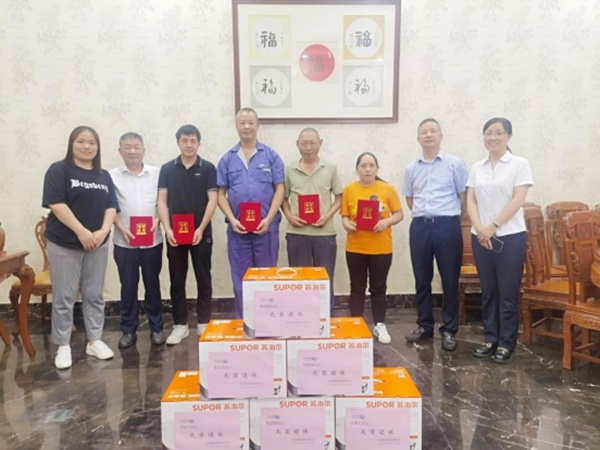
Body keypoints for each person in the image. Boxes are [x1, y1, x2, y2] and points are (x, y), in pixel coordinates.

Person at [42, 126, 119, 369]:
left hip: (97, 244)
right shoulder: (59, 170)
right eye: (81, 141)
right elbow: (56, 204)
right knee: (64, 297)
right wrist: (82, 232)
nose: (87, 146)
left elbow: (111, 205)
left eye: (92, 142)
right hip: (65, 243)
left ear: (98, 147)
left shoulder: (103, 176)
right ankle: (63, 345)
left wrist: (103, 231)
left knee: (94, 295)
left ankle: (94, 340)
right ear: (71, 144)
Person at [467, 117, 533, 364]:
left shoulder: (519, 164)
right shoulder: (477, 167)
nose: (493, 137)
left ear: (508, 136)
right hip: (480, 237)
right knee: (488, 291)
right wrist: (480, 229)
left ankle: (506, 343)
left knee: (507, 292)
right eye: (488, 133)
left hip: (510, 237)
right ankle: (490, 338)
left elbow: (518, 200)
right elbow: (471, 200)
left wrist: (492, 226)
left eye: (499, 132)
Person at [403, 118, 468, 352]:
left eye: (433, 131)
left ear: (441, 136)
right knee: (422, 278)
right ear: (418, 138)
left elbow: (463, 197)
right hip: (420, 226)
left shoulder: (455, 163)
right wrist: (425, 216)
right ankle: (424, 326)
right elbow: (410, 199)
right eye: (424, 132)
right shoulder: (411, 168)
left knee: (449, 278)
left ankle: (449, 329)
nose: (428, 135)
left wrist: (447, 218)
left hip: (447, 225)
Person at [217, 107, 285, 319]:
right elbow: (220, 194)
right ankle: (244, 322)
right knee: (241, 278)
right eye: (242, 123)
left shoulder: (271, 156)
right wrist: (232, 219)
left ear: (258, 126)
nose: (246, 127)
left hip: (266, 229)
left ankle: (267, 321)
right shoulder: (227, 159)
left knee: (266, 276)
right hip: (238, 230)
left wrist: (269, 219)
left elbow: (280, 189)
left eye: (250, 123)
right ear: (236, 126)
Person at [157, 125, 218, 345]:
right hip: (175, 233)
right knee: (177, 279)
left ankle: (204, 322)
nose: (189, 145)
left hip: (201, 232)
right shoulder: (167, 169)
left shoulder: (208, 168)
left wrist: (200, 228)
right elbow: (161, 201)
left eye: (193, 141)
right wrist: (167, 229)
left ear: (199, 143)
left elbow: (213, 200)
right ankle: (180, 325)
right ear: (178, 143)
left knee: (203, 277)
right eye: (185, 140)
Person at [341, 152, 403, 343]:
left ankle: (379, 325)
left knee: (378, 288)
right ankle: (356, 324)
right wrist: (348, 225)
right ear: (357, 169)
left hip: (381, 249)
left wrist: (386, 222)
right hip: (356, 247)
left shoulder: (387, 189)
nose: (367, 169)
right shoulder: (349, 189)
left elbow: (399, 214)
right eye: (363, 166)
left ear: (376, 168)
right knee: (357, 287)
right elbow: (344, 216)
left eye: (371, 165)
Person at [110, 132, 165, 348]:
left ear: (143, 150)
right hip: (124, 242)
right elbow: (109, 207)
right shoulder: (111, 176)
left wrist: (158, 220)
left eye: (136, 147)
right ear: (120, 151)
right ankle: (128, 330)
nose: (132, 151)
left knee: (153, 285)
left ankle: (157, 328)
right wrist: (120, 227)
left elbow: (163, 202)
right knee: (128, 286)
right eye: (128, 147)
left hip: (152, 241)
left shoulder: (157, 174)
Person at [282, 127, 343, 313]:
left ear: (320, 143)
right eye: (304, 143)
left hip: (324, 233)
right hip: (296, 233)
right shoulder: (288, 169)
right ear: (297, 145)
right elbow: (282, 198)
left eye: (312, 143)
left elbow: (339, 198)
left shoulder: (330, 169)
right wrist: (289, 215)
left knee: (325, 278)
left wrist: (327, 216)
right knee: (299, 279)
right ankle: (300, 319)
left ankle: (326, 318)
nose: (308, 147)